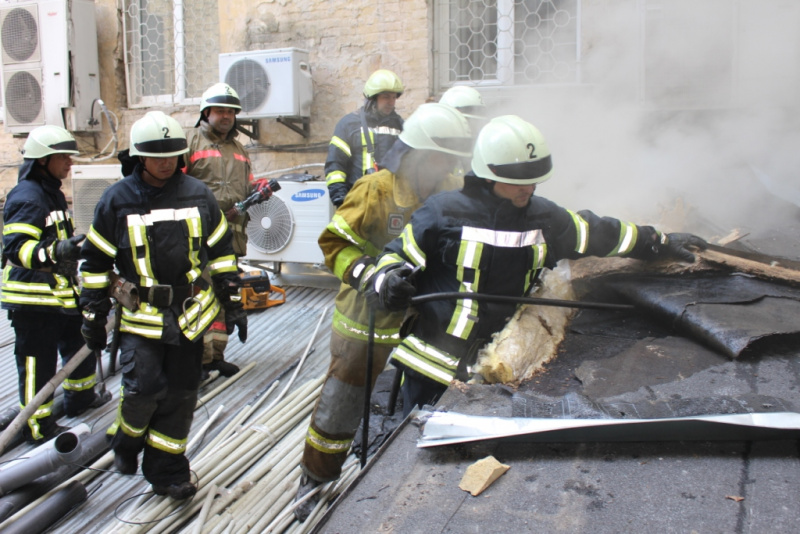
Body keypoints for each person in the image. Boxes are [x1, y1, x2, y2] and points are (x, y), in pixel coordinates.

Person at [366, 115, 708, 415]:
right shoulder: (442, 213)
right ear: (489, 174)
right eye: (518, 180)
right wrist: (388, 282)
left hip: (503, 369)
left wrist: (655, 242)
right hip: (432, 370)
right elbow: (394, 258)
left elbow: (598, 233)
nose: (527, 188)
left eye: (533, 179)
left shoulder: (545, 218)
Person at [294, 103, 473, 521]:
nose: (448, 168)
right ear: (417, 154)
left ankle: (409, 484)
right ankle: (315, 480)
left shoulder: (452, 189)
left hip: (423, 312)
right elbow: (334, 243)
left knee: (428, 394)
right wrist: (371, 276)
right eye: (441, 159)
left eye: (451, 160)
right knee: (343, 401)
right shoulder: (375, 190)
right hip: (366, 313)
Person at [79, 111, 247, 500]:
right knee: (142, 390)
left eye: (173, 155)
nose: (166, 163)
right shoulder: (116, 200)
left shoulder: (197, 194)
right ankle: (126, 440)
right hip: (142, 315)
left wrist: (234, 302)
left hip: (189, 314)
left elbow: (222, 253)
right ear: (139, 157)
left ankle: (168, 471)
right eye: (157, 157)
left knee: (181, 396)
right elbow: (95, 264)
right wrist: (92, 314)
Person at [1, 125, 111, 443]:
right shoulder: (27, 196)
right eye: (62, 156)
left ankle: (80, 398)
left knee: (79, 345)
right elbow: (16, 248)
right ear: (41, 161)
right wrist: (57, 250)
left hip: (57, 296)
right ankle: (37, 426)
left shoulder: (50, 192)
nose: (69, 162)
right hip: (32, 299)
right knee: (38, 362)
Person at [184, 82, 264, 378]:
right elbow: (175, 188)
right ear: (206, 112)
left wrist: (260, 189)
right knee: (200, 295)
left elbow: (247, 185)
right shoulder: (190, 142)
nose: (226, 116)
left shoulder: (239, 149)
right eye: (220, 110)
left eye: (231, 111)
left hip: (230, 237)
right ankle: (197, 360)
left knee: (223, 294)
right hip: (198, 238)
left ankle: (215, 356)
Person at [325, 69, 405, 207]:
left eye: (394, 97)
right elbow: (336, 165)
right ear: (372, 98)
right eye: (386, 97)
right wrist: (340, 198)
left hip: (391, 205)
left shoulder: (400, 126)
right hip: (358, 202)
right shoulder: (349, 125)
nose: (391, 102)